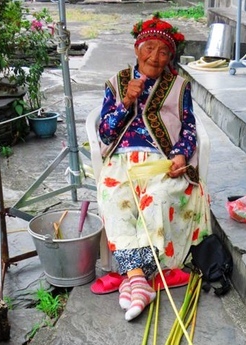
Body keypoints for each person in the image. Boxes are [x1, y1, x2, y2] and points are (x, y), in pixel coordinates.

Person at [91, 14, 211, 321]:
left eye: (163, 52)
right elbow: (104, 132)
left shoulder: (179, 86)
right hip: (121, 161)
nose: (155, 57)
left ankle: (133, 279)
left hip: (162, 162)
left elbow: (188, 129)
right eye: (149, 48)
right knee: (114, 202)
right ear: (136, 49)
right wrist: (125, 102)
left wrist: (182, 156)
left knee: (155, 201)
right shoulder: (117, 83)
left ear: (170, 57)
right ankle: (142, 279)